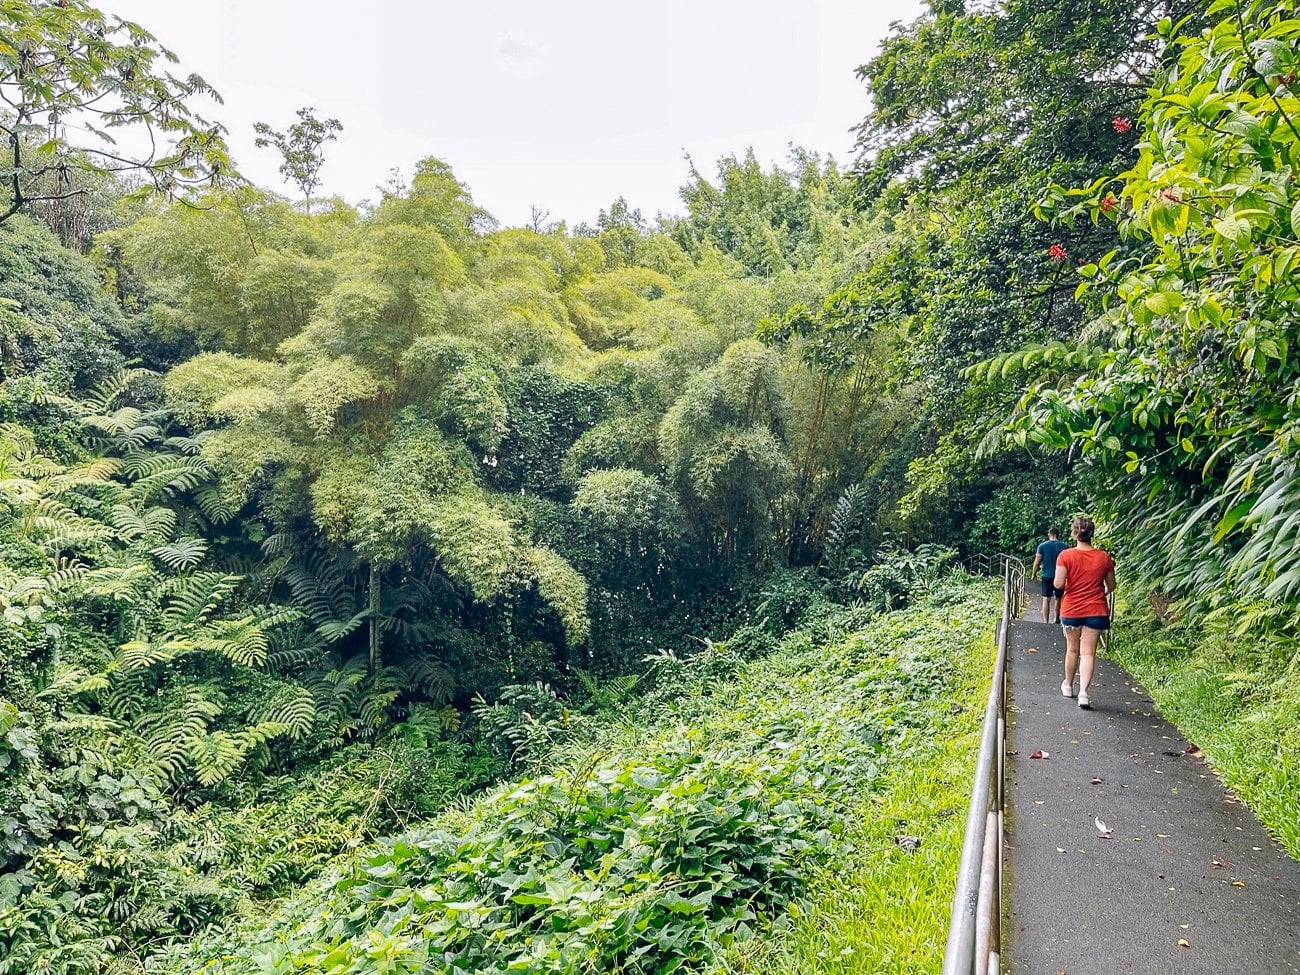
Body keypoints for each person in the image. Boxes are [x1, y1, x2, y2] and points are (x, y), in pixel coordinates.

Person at [1053, 516, 1116, 710]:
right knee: (1088, 653)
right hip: (1096, 609)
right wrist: (1101, 593)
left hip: (1072, 608)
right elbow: (1111, 586)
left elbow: (1058, 584)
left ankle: (1068, 685)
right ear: (1092, 533)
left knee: (1072, 648)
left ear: (1074, 532)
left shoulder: (1066, 555)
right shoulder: (1104, 557)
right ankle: (1084, 693)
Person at [1031, 528, 1068, 623]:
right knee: (1058, 598)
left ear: (1049, 534)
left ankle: (1045, 622)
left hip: (1046, 575)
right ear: (1058, 535)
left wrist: (1034, 573)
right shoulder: (1064, 546)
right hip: (1060, 576)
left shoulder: (1042, 546)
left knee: (1046, 599)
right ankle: (1056, 618)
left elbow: (1036, 562)